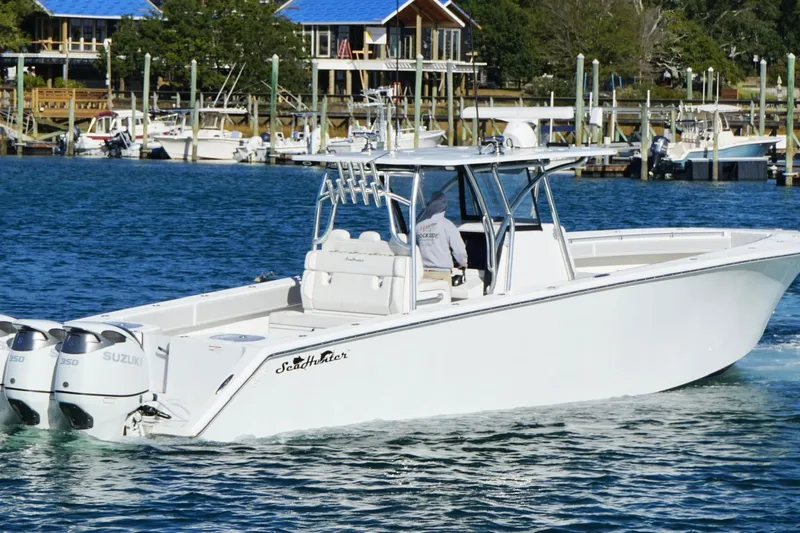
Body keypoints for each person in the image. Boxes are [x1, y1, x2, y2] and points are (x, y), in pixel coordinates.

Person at [415, 191, 468, 283]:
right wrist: (463, 263)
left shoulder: (418, 226)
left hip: (420, 274)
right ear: (445, 207)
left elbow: (410, 248)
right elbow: (459, 251)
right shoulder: (448, 225)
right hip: (442, 274)